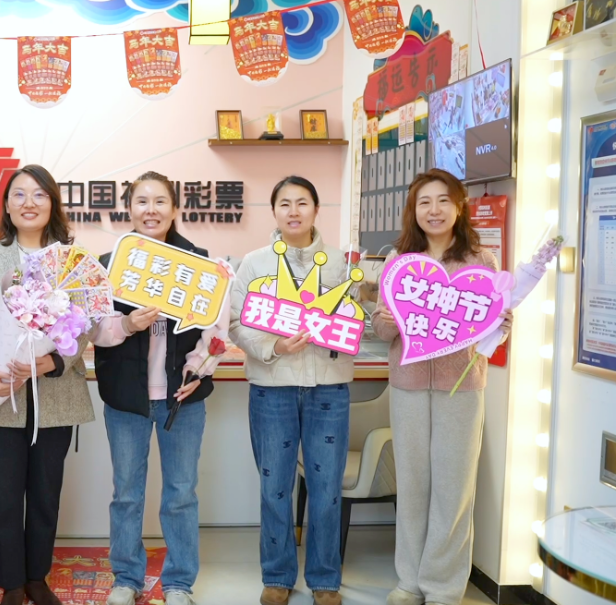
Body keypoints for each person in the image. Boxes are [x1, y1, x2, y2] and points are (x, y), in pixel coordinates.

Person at [373, 169, 512, 605]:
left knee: (454, 487)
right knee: (413, 484)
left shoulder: (482, 262)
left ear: (459, 207)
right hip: (409, 386)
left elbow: (493, 331)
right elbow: (381, 328)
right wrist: (388, 320)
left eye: (442, 201)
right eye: (424, 202)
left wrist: (502, 325)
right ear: (413, 211)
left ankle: (443, 586)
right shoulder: (398, 263)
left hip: (462, 388)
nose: (433, 210)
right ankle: (409, 581)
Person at [0, 165, 94, 605]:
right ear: (6, 205)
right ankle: (12, 583)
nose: (29, 203)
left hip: (54, 392)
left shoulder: (72, 260)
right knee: (3, 497)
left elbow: (85, 325)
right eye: (19, 194)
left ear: (52, 203)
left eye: (39, 194)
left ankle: (37, 577)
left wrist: (53, 361)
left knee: (44, 495)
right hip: (0, 391)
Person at [93, 172, 228, 605]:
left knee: (181, 494)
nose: (150, 210)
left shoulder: (201, 265)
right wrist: (127, 324)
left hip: (181, 399)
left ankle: (179, 583)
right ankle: (126, 579)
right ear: (129, 208)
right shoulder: (109, 263)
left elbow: (216, 331)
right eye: (141, 201)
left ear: (174, 208)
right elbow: (93, 330)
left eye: (160, 202)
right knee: (126, 494)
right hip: (125, 398)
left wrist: (198, 370)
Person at [229, 176, 354, 605]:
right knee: (275, 487)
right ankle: (277, 575)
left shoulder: (341, 263)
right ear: (274, 212)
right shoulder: (254, 263)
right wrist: (274, 346)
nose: (294, 211)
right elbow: (235, 322)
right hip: (272, 387)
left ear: (317, 210)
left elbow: (358, 316)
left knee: (326, 489)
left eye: (303, 202)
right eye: (285, 203)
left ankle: (325, 580)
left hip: (329, 389)